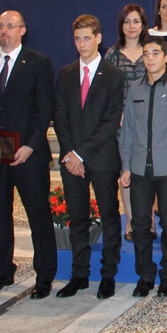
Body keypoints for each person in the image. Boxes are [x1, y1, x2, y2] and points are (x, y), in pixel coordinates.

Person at [0, 11, 57, 300]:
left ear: (23, 30)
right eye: (0, 26)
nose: (4, 31)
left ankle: (45, 275)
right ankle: (3, 270)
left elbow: (44, 108)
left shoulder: (38, 63)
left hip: (29, 154)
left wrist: (31, 145)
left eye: (10, 26)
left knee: (38, 215)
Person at [53, 15, 125, 299]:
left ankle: (108, 275)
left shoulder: (114, 75)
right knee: (78, 219)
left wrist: (81, 153)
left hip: (102, 158)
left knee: (109, 217)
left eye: (87, 38)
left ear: (98, 38)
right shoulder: (66, 73)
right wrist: (72, 155)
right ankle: (79, 275)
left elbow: (110, 121)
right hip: (72, 160)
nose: (82, 44)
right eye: (77, 39)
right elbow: (59, 116)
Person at [119, 37, 167, 298]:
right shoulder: (135, 90)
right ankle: (145, 275)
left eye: (156, 53)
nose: (150, 58)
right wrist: (125, 166)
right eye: (146, 53)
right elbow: (127, 131)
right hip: (139, 169)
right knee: (139, 224)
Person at [104, 4, 148, 242]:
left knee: (148, 172)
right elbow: (105, 91)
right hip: (121, 122)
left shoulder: (151, 50)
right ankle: (131, 220)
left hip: (148, 120)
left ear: (143, 25)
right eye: (127, 22)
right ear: (121, 26)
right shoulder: (112, 54)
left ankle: (148, 219)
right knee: (127, 171)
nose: (132, 26)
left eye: (136, 21)